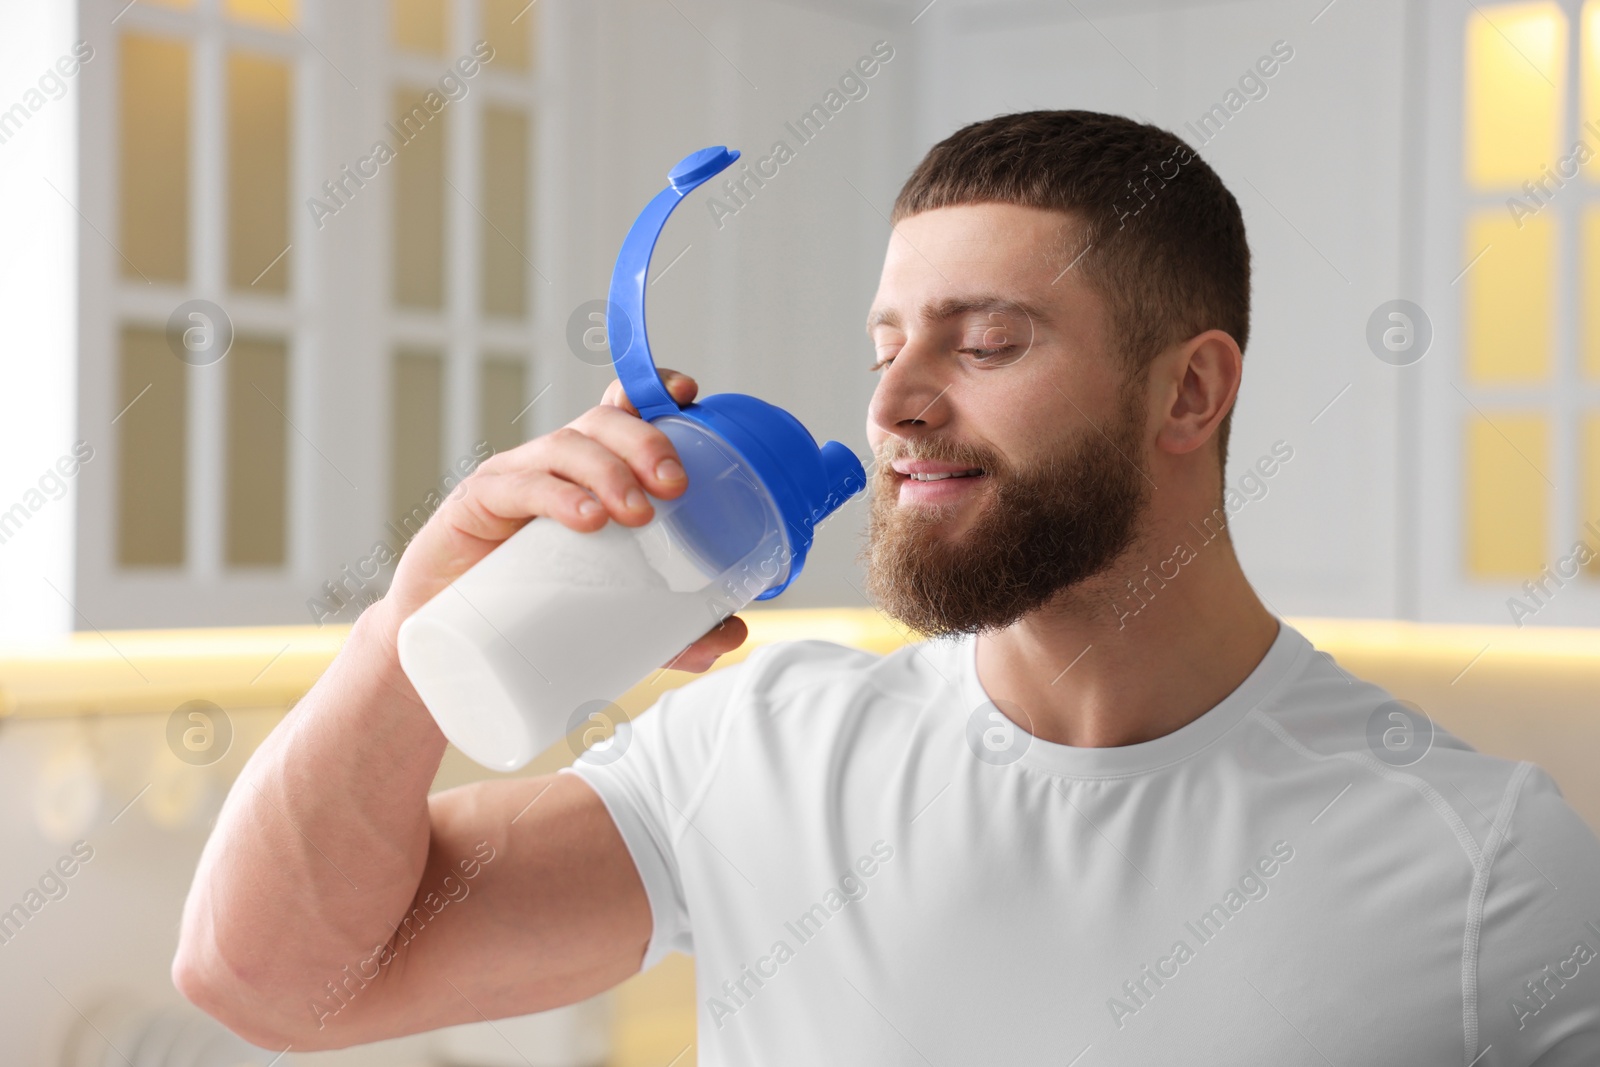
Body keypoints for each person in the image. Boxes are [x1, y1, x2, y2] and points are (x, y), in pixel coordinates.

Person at [173, 111, 1600, 1064]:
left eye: (983, 342)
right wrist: (410, 631)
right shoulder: (765, 754)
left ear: (1190, 391)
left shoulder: (1482, 868)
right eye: (883, 349)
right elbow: (272, 978)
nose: (898, 406)